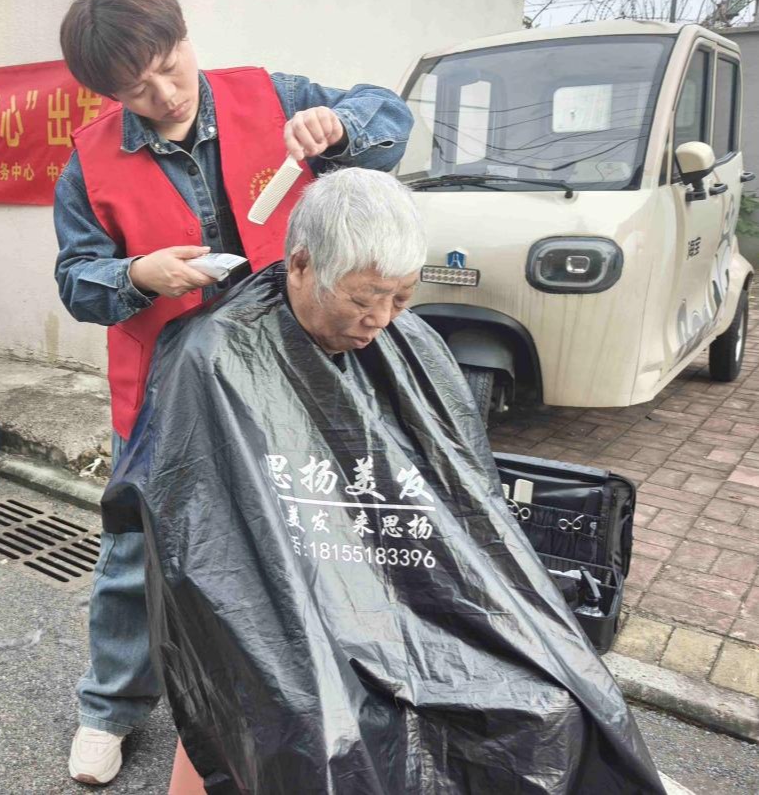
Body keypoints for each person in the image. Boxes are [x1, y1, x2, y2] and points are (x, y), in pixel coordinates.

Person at [103, 169, 664, 794]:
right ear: (301, 265)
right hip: (286, 609)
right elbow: (203, 545)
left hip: (409, 598)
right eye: (364, 298)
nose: (380, 320)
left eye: (401, 298)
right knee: (316, 723)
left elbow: (466, 505)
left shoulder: (410, 344)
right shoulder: (213, 355)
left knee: (561, 698)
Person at [53, 0, 413, 785]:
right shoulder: (89, 163)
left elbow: (390, 121)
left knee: (308, 534)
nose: (164, 95)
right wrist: (138, 274)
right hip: (168, 393)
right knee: (138, 550)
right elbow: (75, 280)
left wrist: (340, 127)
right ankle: (109, 708)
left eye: (169, 66)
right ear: (109, 95)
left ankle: (312, 689)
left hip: (293, 376)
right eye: (136, 90)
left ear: (186, 36)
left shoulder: (273, 97)